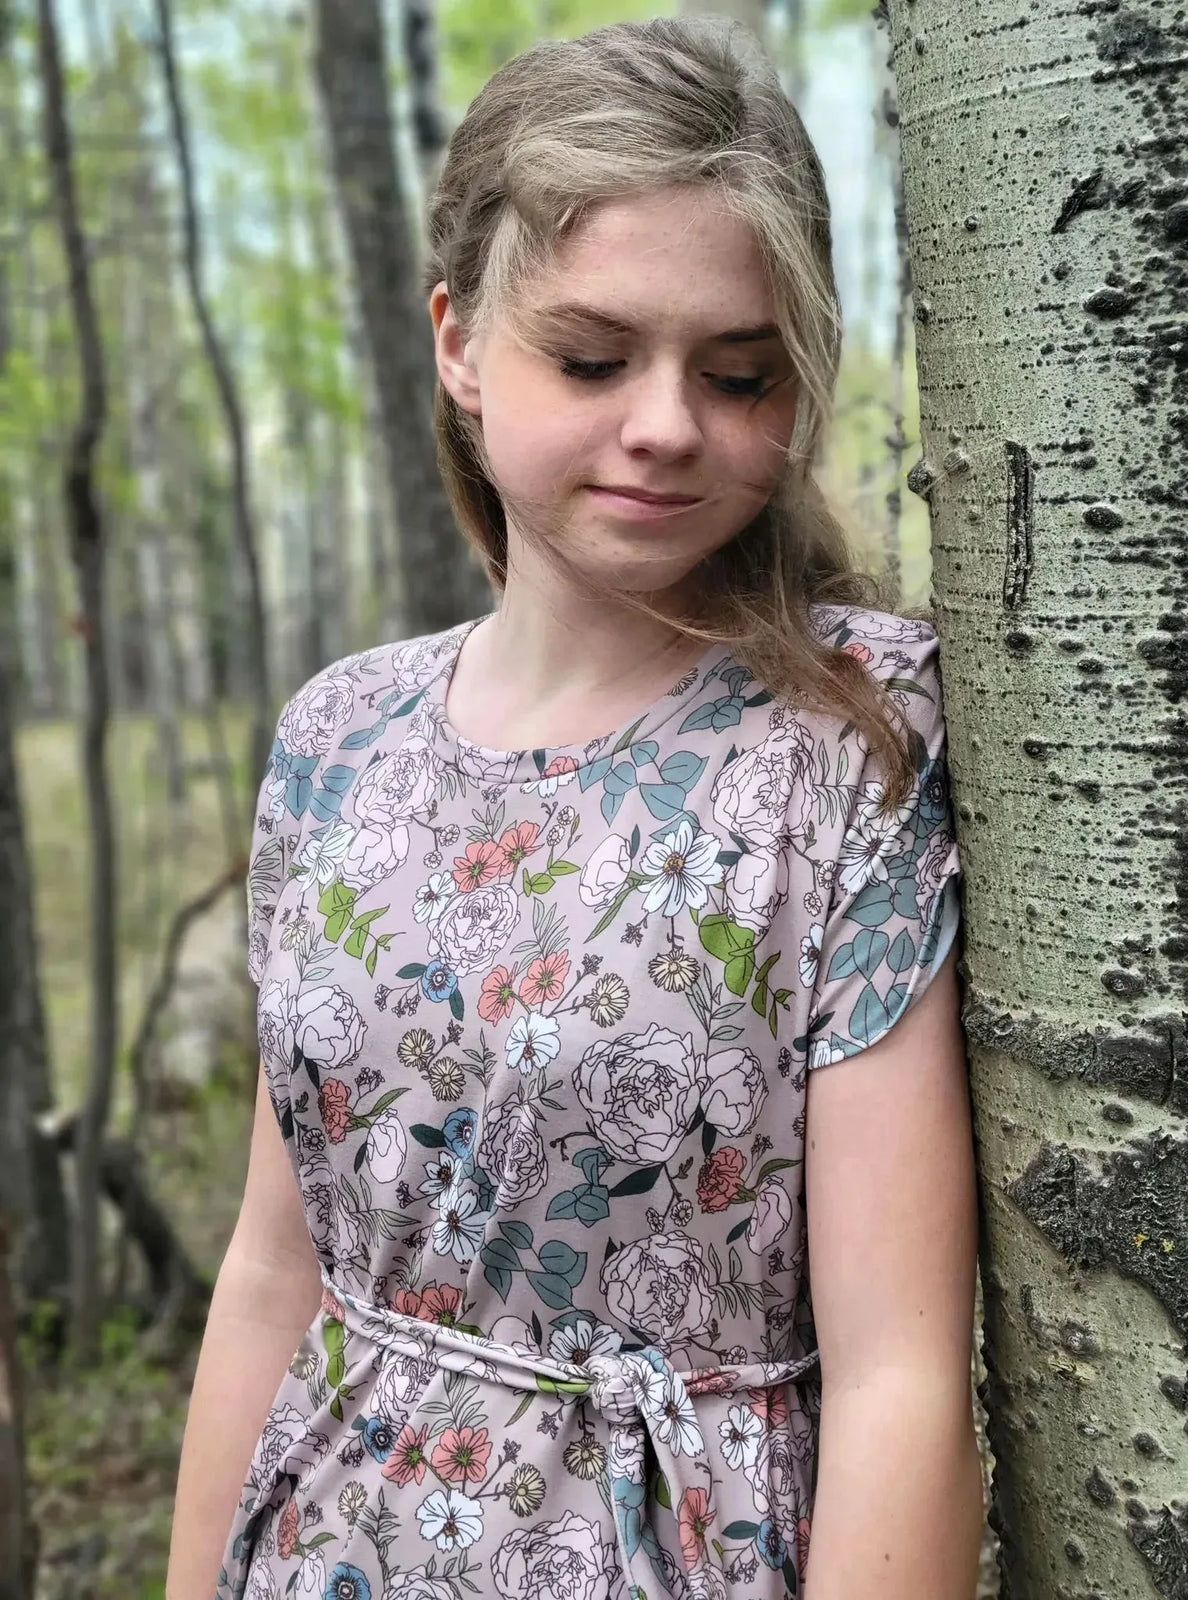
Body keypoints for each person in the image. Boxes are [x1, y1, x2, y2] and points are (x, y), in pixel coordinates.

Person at [166, 15, 983, 1600]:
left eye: (737, 371)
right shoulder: (340, 737)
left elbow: (903, 1378)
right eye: (595, 357)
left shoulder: (852, 742)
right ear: (462, 342)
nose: (668, 420)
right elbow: (275, 1271)